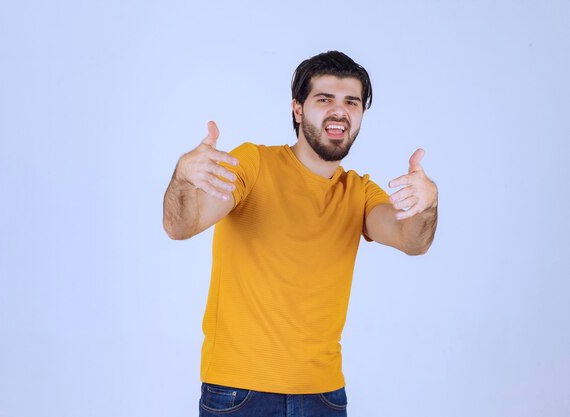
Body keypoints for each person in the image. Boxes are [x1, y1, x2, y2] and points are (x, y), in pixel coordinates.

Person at [163, 51, 438, 417]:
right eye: (324, 99)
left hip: (324, 396)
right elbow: (181, 226)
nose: (339, 111)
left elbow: (412, 240)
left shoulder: (358, 191)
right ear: (298, 109)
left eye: (351, 102)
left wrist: (428, 203)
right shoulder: (253, 164)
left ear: (360, 116)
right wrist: (183, 177)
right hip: (238, 393)